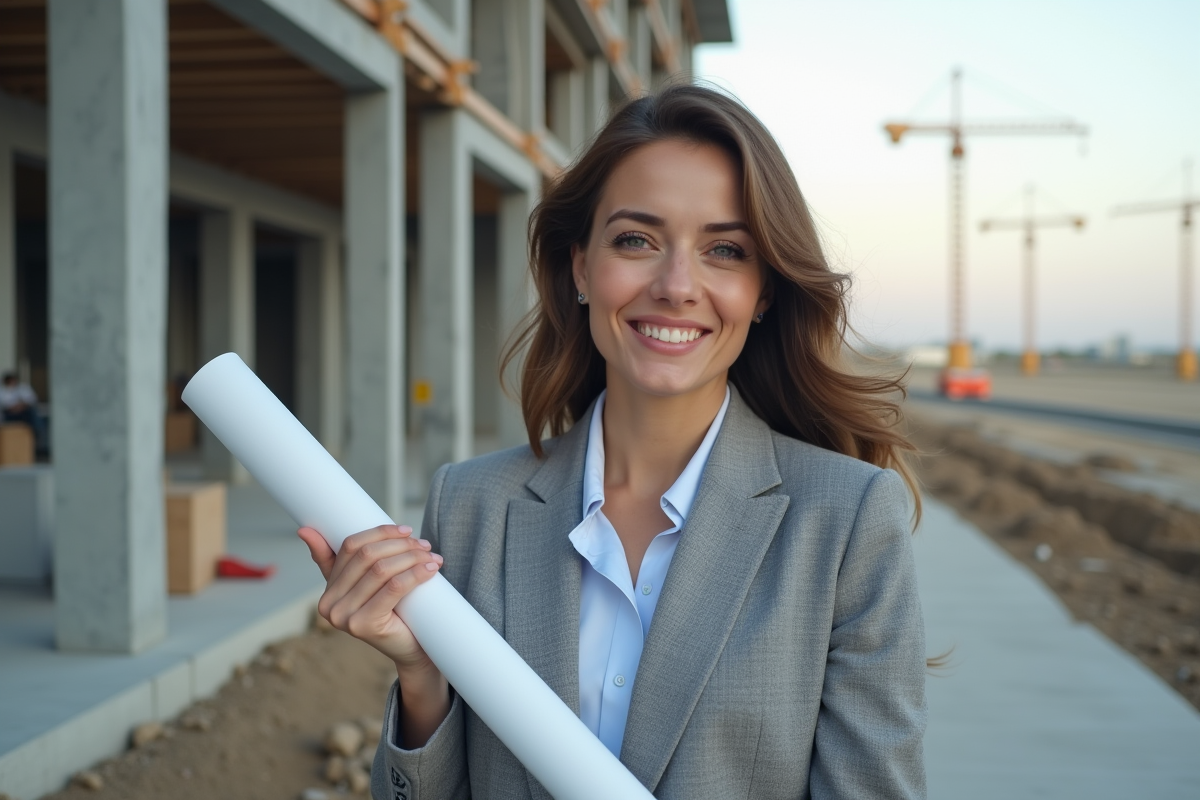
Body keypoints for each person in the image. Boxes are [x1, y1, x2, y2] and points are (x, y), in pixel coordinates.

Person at [299, 84, 926, 799]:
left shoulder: (846, 521)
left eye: (725, 250)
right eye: (636, 240)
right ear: (580, 267)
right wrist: (421, 679)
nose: (677, 285)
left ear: (763, 292)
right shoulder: (471, 505)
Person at [1, 371, 47, 455]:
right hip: (10, 414)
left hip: (25, 412)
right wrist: (14, 407)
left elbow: (32, 400)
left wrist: (21, 405)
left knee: (33, 413)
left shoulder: (23, 388)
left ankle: (38, 433)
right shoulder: (2, 391)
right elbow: (5, 405)